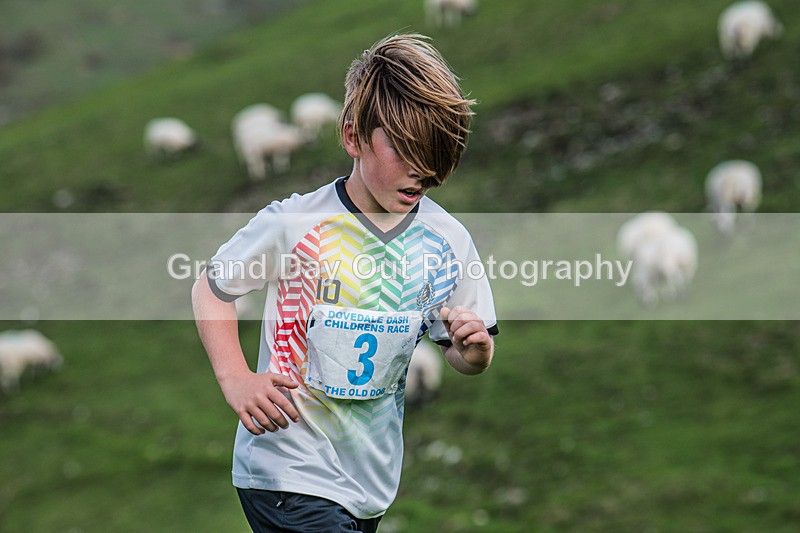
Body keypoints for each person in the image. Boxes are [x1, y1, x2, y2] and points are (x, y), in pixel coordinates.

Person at [192, 33, 499, 532]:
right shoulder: (295, 224)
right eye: (405, 150)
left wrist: (475, 348)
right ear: (353, 136)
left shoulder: (447, 241)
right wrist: (237, 379)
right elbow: (212, 289)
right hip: (286, 468)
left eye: (437, 155)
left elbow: (462, 355)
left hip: (368, 480)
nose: (422, 171)